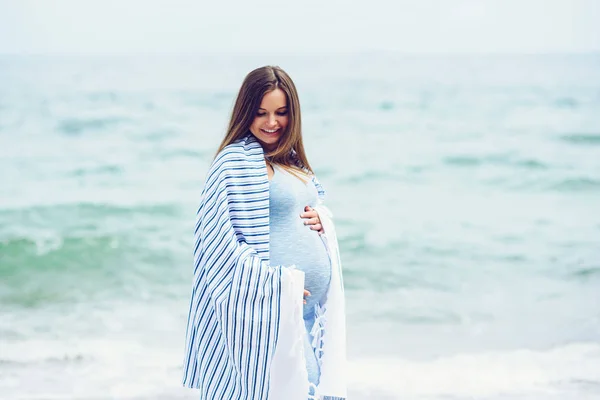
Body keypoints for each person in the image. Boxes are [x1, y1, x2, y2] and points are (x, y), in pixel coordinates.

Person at [182, 66, 347, 400]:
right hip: (269, 312)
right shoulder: (235, 162)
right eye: (261, 113)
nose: (272, 123)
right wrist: (275, 285)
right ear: (246, 113)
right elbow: (217, 242)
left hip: (304, 316)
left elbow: (303, 209)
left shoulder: (292, 161)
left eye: (281, 112)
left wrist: (322, 221)